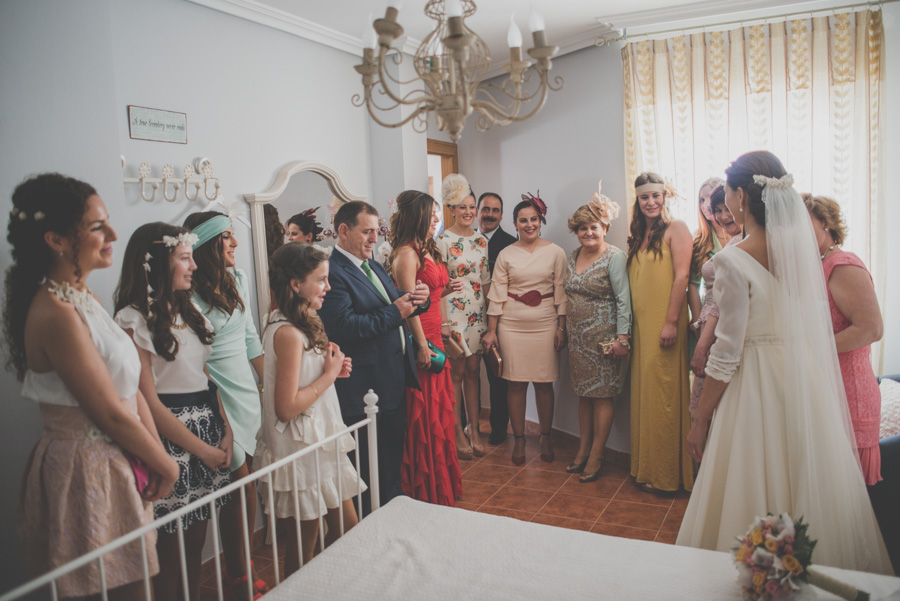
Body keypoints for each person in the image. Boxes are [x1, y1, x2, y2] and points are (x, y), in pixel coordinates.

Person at [677, 151, 892, 574]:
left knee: (750, 477)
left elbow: (726, 352)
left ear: (740, 196)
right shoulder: (806, 259)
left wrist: (700, 418)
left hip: (754, 387)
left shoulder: (732, 261)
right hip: (802, 381)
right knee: (804, 480)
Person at [7, 174, 178, 600]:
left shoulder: (87, 300)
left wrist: (155, 453)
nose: (113, 235)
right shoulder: (56, 313)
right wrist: (168, 464)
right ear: (57, 239)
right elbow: (110, 412)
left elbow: (130, 388)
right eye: (98, 226)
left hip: (120, 460)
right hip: (85, 470)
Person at [114, 223, 233, 601]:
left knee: (196, 542)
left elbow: (205, 375)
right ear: (156, 264)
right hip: (168, 436)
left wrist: (225, 429)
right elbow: (147, 400)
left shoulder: (190, 308)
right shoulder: (133, 319)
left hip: (206, 422)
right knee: (168, 552)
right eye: (184, 258)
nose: (194, 266)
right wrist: (201, 449)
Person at [255, 243, 363, 570]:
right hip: (301, 451)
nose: (328, 287)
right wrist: (329, 376)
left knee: (348, 532)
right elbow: (286, 408)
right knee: (304, 551)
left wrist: (330, 369)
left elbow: (306, 380)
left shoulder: (304, 319)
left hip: (320, 443)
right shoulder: (287, 332)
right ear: (295, 284)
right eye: (321, 280)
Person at [318, 201, 430, 513]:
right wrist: (396, 312)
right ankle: (372, 528)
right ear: (343, 231)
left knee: (391, 458)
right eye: (367, 232)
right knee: (368, 467)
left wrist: (422, 299)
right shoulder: (333, 273)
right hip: (364, 384)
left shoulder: (373, 265)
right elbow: (343, 327)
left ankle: (393, 515)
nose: (374, 239)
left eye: (376, 231)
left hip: (391, 377)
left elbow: (398, 302)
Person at [182, 211, 268, 597]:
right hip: (215, 391)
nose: (235, 244)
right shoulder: (187, 294)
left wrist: (266, 381)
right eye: (227, 238)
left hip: (246, 390)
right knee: (238, 484)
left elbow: (250, 336)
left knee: (246, 482)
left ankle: (240, 565)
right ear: (207, 245)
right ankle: (238, 574)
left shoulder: (238, 279)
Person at [388, 190, 463, 506]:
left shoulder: (426, 248)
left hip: (434, 333)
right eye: (431, 214)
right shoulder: (406, 254)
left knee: (441, 413)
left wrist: (445, 290)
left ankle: (440, 482)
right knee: (425, 415)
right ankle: (424, 490)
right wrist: (421, 345)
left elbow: (427, 295)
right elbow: (408, 306)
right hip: (422, 339)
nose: (436, 219)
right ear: (416, 216)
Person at [482, 192, 567, 466]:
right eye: (523, 220)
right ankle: (518, 438)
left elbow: (561, 291)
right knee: (515, 384)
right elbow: (497, 293)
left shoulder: (556, 252)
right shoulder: (506, 254)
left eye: (533, 219)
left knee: (544, 384)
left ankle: (545, 436)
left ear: (540, 221)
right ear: (515, 223)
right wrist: (492, 331)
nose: (529, 224)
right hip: (511, 323)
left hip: (544, 322)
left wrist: (561, 326)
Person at [805, 194, 884, 485]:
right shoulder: (815, 266)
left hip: (849, 393)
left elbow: (871, 328)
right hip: (825, 389)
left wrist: (809, 348)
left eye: (804, 221)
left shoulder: (842, 264)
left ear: (825, 222)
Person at [626, 172, 693, 493]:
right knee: (646, 393)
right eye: (644, 197)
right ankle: (647, 468)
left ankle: (668, 475)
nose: (650, 202)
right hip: (641, 324)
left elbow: (682, 277)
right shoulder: (640, 233)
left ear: (664, 197)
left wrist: (670, 321)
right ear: (637, 201)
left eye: (655, 196)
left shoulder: (676, 229)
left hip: (665, 321)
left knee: (664, 392)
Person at [564, 190, 631, 483]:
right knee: (583, 394)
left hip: (605, 339)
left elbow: (624, 300)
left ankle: (597, 454)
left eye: (594, 227)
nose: (588, 232)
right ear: (576, 231)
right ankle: (582, 448)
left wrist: (622, 339)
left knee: (602, 397)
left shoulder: (615, 257)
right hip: (577, 339)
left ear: (604, 228)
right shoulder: (573, 255)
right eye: (582, 227)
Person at [436, 174, 490, 459]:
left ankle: (475, 429)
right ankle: (457, 432)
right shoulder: (443, 241)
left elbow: (486, 280)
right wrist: (444, 322)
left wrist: (492, 319)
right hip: (454, 315)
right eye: (462, 207)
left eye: (472, 207)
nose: (468, 212)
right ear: (452, 209)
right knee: (456, 374)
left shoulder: (482, 241)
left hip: (477, 313)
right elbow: (438, 287)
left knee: (474, 372)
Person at [689, 186, 743, 413]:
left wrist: (702, 347)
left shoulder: (742, 244)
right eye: (718, 210)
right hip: (709, 325)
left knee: (719, 407)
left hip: (722, 328)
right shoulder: (732, 240)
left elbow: (724, 302)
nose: (723, 216)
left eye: (728, 209)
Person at [477, 192, 516, 445]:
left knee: (497, 374)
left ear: (502, 214)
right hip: (464, 315)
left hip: (499, 319)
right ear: (477, 211)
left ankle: (499, 428)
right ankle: (467, 425)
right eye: (485, 209)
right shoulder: (463, 240)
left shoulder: (511, 244)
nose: (490, 214)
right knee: (466, 374)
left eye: (495, 210)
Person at [687, 177, 727, 348]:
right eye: (701, 200)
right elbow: (693, 285)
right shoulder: (699, 240)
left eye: (710, 197)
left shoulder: (742, 232)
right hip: (709, 313)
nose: (705, 204)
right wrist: (697, 320)